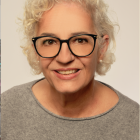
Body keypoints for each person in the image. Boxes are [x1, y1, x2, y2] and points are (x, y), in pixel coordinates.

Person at [1, 0, 139, 139]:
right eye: (50, 41)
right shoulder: (5, 111)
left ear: (102, 48)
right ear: (35, 50)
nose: (64, 58)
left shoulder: (135, 123)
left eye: (80, 40)